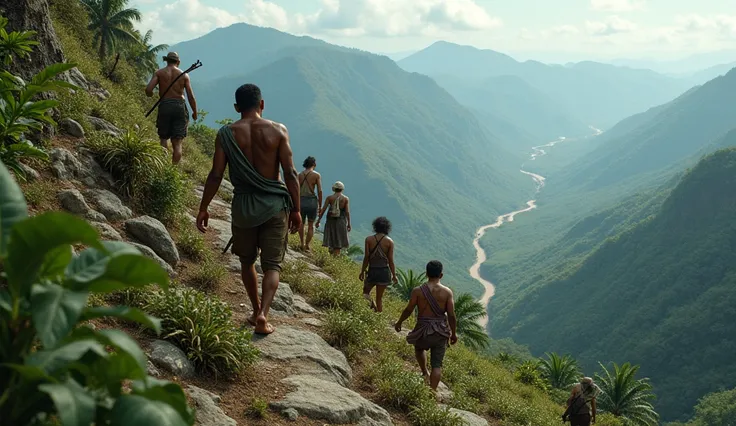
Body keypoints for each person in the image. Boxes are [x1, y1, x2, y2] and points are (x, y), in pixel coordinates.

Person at [196, 83, 301, 335]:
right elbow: (290, 173)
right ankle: (264, 314)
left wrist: (203, 207)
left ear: (236, 107)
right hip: (275, 206)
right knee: (272, 265)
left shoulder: (225, 134)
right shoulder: (279, 130)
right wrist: (296, 209)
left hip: (244, 207)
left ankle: (255, 311)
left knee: (247, 262)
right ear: (262, 104)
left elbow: (215, 175)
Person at [395, 260, 458, 391]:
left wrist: (400, 322)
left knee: (419, 349)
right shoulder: (447, 292)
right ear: (441, 275)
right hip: (440, 332)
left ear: (426, 274)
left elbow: (408, 309)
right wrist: (453, 333)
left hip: (422, 330)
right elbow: (451, 315)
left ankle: (424, 371)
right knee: (437, 365)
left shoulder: (418, 291)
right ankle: (432, 392)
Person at [145, 52, 197, 165]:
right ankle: (172, 169)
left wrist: (151, 95)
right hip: (179, 107)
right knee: (177, 142)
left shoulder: (159, 73)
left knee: (163, 138)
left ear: (166, 60)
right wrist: (194, 111)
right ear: (178, 62)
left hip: (165, 105)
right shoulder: (184, 75)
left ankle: (162, 165)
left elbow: (149, 90)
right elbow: (190, 96)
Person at [359, 216, 397, 312]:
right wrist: (394, 275)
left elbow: (366, 257)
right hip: (384, 271)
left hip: (372, 270)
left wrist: (362, 271)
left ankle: (373, 306)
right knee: (379, 298)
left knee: (365, 293)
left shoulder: (369, 240)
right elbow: (391, 260)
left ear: (375, 227)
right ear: (387, 228)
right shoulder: (389, 241)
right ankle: (378, 317)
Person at [316, 181, 350, 256]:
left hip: (330, 220)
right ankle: (336, 256)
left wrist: (318, 220)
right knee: (339, 239)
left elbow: (323, 209)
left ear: (334, 189)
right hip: (341, 221)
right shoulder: (345, 199)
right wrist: (349, 224)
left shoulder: (330, 198)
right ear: (342, 189)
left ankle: (331, 254)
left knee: (331, 237)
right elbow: (347, 212)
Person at [297, 156, 322, 252]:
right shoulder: (316, 175)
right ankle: (307, 245)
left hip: (301, 200)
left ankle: (302, 243)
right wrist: (320, 205)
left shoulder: (300, 175)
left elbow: (297, 189)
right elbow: (320, 190)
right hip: (312, 201)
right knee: (311, 225)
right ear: (314, 164)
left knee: (301, 223)